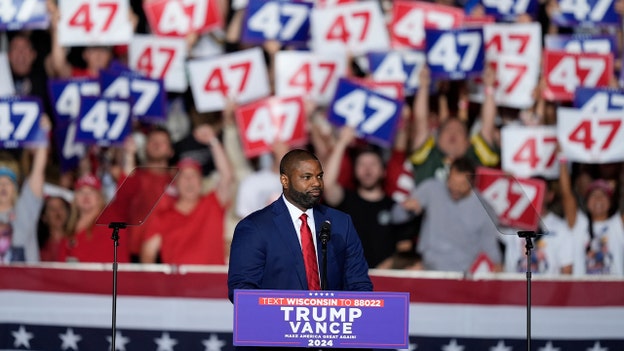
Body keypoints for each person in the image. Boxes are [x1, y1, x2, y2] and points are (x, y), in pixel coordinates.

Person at [227, 149, 373, 302]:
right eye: (307, 177)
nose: (316, 183)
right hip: (277, 323)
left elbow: (359, 285)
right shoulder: (254, 227)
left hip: (333, 323)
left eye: (319, 176)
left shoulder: (341, 223)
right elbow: (242, 291)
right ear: (285, 180)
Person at [140, 126, 234, 265]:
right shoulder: (164, 216)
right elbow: (148, 253)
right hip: (177, 285)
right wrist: (156, 284)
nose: (189, 181)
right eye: (184, 176)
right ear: (176, 183)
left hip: (212, 283)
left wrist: (213, 141)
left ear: (201, 182)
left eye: (193, 176)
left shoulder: (213, 203)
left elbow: (227, 176)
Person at [323, 125, 413, 268]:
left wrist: (387, 267)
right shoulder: (345, 200)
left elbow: (405, 250)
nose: (367, 169)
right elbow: (327, 185)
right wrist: (342, 143)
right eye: (362, 164)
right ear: (355, 171)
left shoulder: (395, 207)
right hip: (348, 282)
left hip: (384, 282)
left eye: (373, 164)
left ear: (383, 171)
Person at [394, 157, 503, 272]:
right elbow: (396, 216)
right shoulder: (431, 189)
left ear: (472, 182)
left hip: (461, 275)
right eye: (452, 182)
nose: (455, 188)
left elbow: (491, 248)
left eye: (461, 184)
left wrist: (497, 267)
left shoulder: (485, 210)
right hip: (427, 269)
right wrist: (406, 209)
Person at [559, 159, 624, 276]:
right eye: (593, 195)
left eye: (603, 195)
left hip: (615, 292)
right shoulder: (579, 224)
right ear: (587, 202)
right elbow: (566, 194)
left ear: (610, 203)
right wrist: (562, 159)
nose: (598, 199)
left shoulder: (618, 225)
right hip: (582, 292)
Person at [57, 174, 130, 263]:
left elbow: (127, 194)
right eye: (81, 191)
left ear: (99, 197)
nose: (86, 196)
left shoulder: (111, 217)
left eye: (91, 191)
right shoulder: (68, 232)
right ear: (75, 198)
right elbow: (61, 267)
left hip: (111, 276)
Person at [37, 195, 71, 262]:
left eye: (61, 207)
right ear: (44, 217)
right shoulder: (38, 246)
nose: (57, 212)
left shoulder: (76, 242)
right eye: (52, 209)